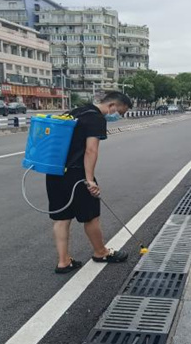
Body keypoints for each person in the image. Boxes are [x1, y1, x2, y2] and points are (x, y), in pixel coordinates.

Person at [46, 91, 133, 274]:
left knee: (62, 218)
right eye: (120, 112)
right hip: (77, 175)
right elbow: (90, 150)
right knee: (91, 216)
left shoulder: (76, 112)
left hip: (54, 172)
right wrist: (89, 180)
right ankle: (101, 252)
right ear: (112, 106)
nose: (119, 116)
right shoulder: (96, 118)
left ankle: (63, 262)